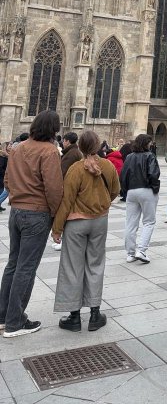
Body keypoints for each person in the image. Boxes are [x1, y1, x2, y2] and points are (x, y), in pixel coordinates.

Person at [0, 111, 63, 337]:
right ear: (53, 129)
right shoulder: (49, 151)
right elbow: (54, 188)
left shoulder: (17, 148)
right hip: (36, 214)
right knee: (26, 268)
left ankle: (3, 316)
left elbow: (7, 180)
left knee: (13, 264)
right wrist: (57, 217)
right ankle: (15, 322)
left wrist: (19, 194)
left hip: (16, 212)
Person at [51, 130, 120, 332]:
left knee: (73, 267)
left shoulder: (75, 169)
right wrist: (102, 204)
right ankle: (95, 314)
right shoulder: (107, 166)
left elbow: (67, 201)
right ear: (98, 146)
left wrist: (57, 228)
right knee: (95, 265)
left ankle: (74, 316)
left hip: (76, 222)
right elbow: (115, 190)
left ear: (80, 147)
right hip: (99, 222)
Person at [121, 133, 161, 263]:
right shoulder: (150, 156)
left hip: (132, 191)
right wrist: (155, 188)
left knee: (131, 223)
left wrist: (126, 191)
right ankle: (142, 250)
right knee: (149, 221)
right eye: (149, 142)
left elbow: (123, 175)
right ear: (145, 143)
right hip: (146, 189)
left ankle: (130, 253)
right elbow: (154, 174)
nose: (151, 144)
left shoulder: (129, 157)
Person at [0, 142, 10, 212]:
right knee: (5, 191)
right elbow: (1, 167)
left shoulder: (6, 156)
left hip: (4, 176)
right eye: (9, 145)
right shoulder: (2, 156)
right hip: (2, 176)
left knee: (2, 191)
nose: (10, 146)